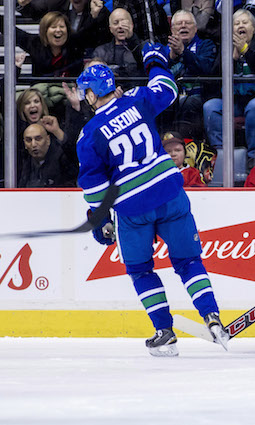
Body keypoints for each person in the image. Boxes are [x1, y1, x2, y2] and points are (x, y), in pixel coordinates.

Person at [75, 45, 228, 356]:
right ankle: (212, 318)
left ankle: (164, 331)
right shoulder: (137, 100)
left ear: (91, 94)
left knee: (141, 270)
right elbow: (168, 88)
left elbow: (94, 188)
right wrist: (156, 61)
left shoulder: (89, 135)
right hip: (170, 193)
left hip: (133, 208)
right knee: (188, 262)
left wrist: (101, 220)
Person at [203, 9, 255, 163]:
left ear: (254, 28)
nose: (240, 26)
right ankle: (220, 155)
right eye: (236, 23)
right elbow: (213, 78)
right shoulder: (226, 48)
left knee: (254, 106)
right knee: (210, 106)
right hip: (234, 99)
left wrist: (246, 51)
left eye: (245, 22)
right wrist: (231, 59)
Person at [165, 9, 217, 139]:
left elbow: (205, 69)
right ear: (172, 29)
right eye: (179, 23)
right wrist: (171, 58)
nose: (183, 26)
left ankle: (186, 143)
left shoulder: (206, 45)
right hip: (173, 96)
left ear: (195, 28)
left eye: (187, 23)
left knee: (187, 103)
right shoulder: (163, 50)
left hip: (198, 96)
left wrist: (183, 52)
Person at [92, 8, 145, 83]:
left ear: (132, 25)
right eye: (115, 23)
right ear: (110, 29)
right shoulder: (101, 52)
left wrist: (132, 39)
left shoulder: (144, 47)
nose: (120, 26)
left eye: (124, 22)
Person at [18, 122, 78, 188]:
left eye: (38, 139)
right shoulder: (21, 164)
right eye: (29, 140)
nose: (33, 144)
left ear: (48, 140)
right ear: (24, 144)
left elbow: (75, 158)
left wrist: (57, 131)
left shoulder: (62, 159)